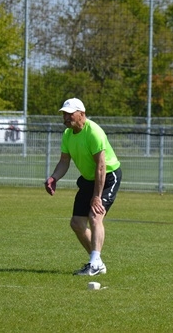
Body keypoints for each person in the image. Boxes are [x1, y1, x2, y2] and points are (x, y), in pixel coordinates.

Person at [45, 98, 122, 276]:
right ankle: (97, 262)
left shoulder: (93, 132)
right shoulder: (67, 134)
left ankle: (94, 263)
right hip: (88, 179)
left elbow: (101, 167)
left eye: (70, 114)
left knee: (95, 216)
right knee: (77, 223)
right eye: (64, 114)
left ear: (82, 114)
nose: (66, 117)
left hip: (108, 176)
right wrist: (54, 177)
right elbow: (64, 161)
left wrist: (97, 196)